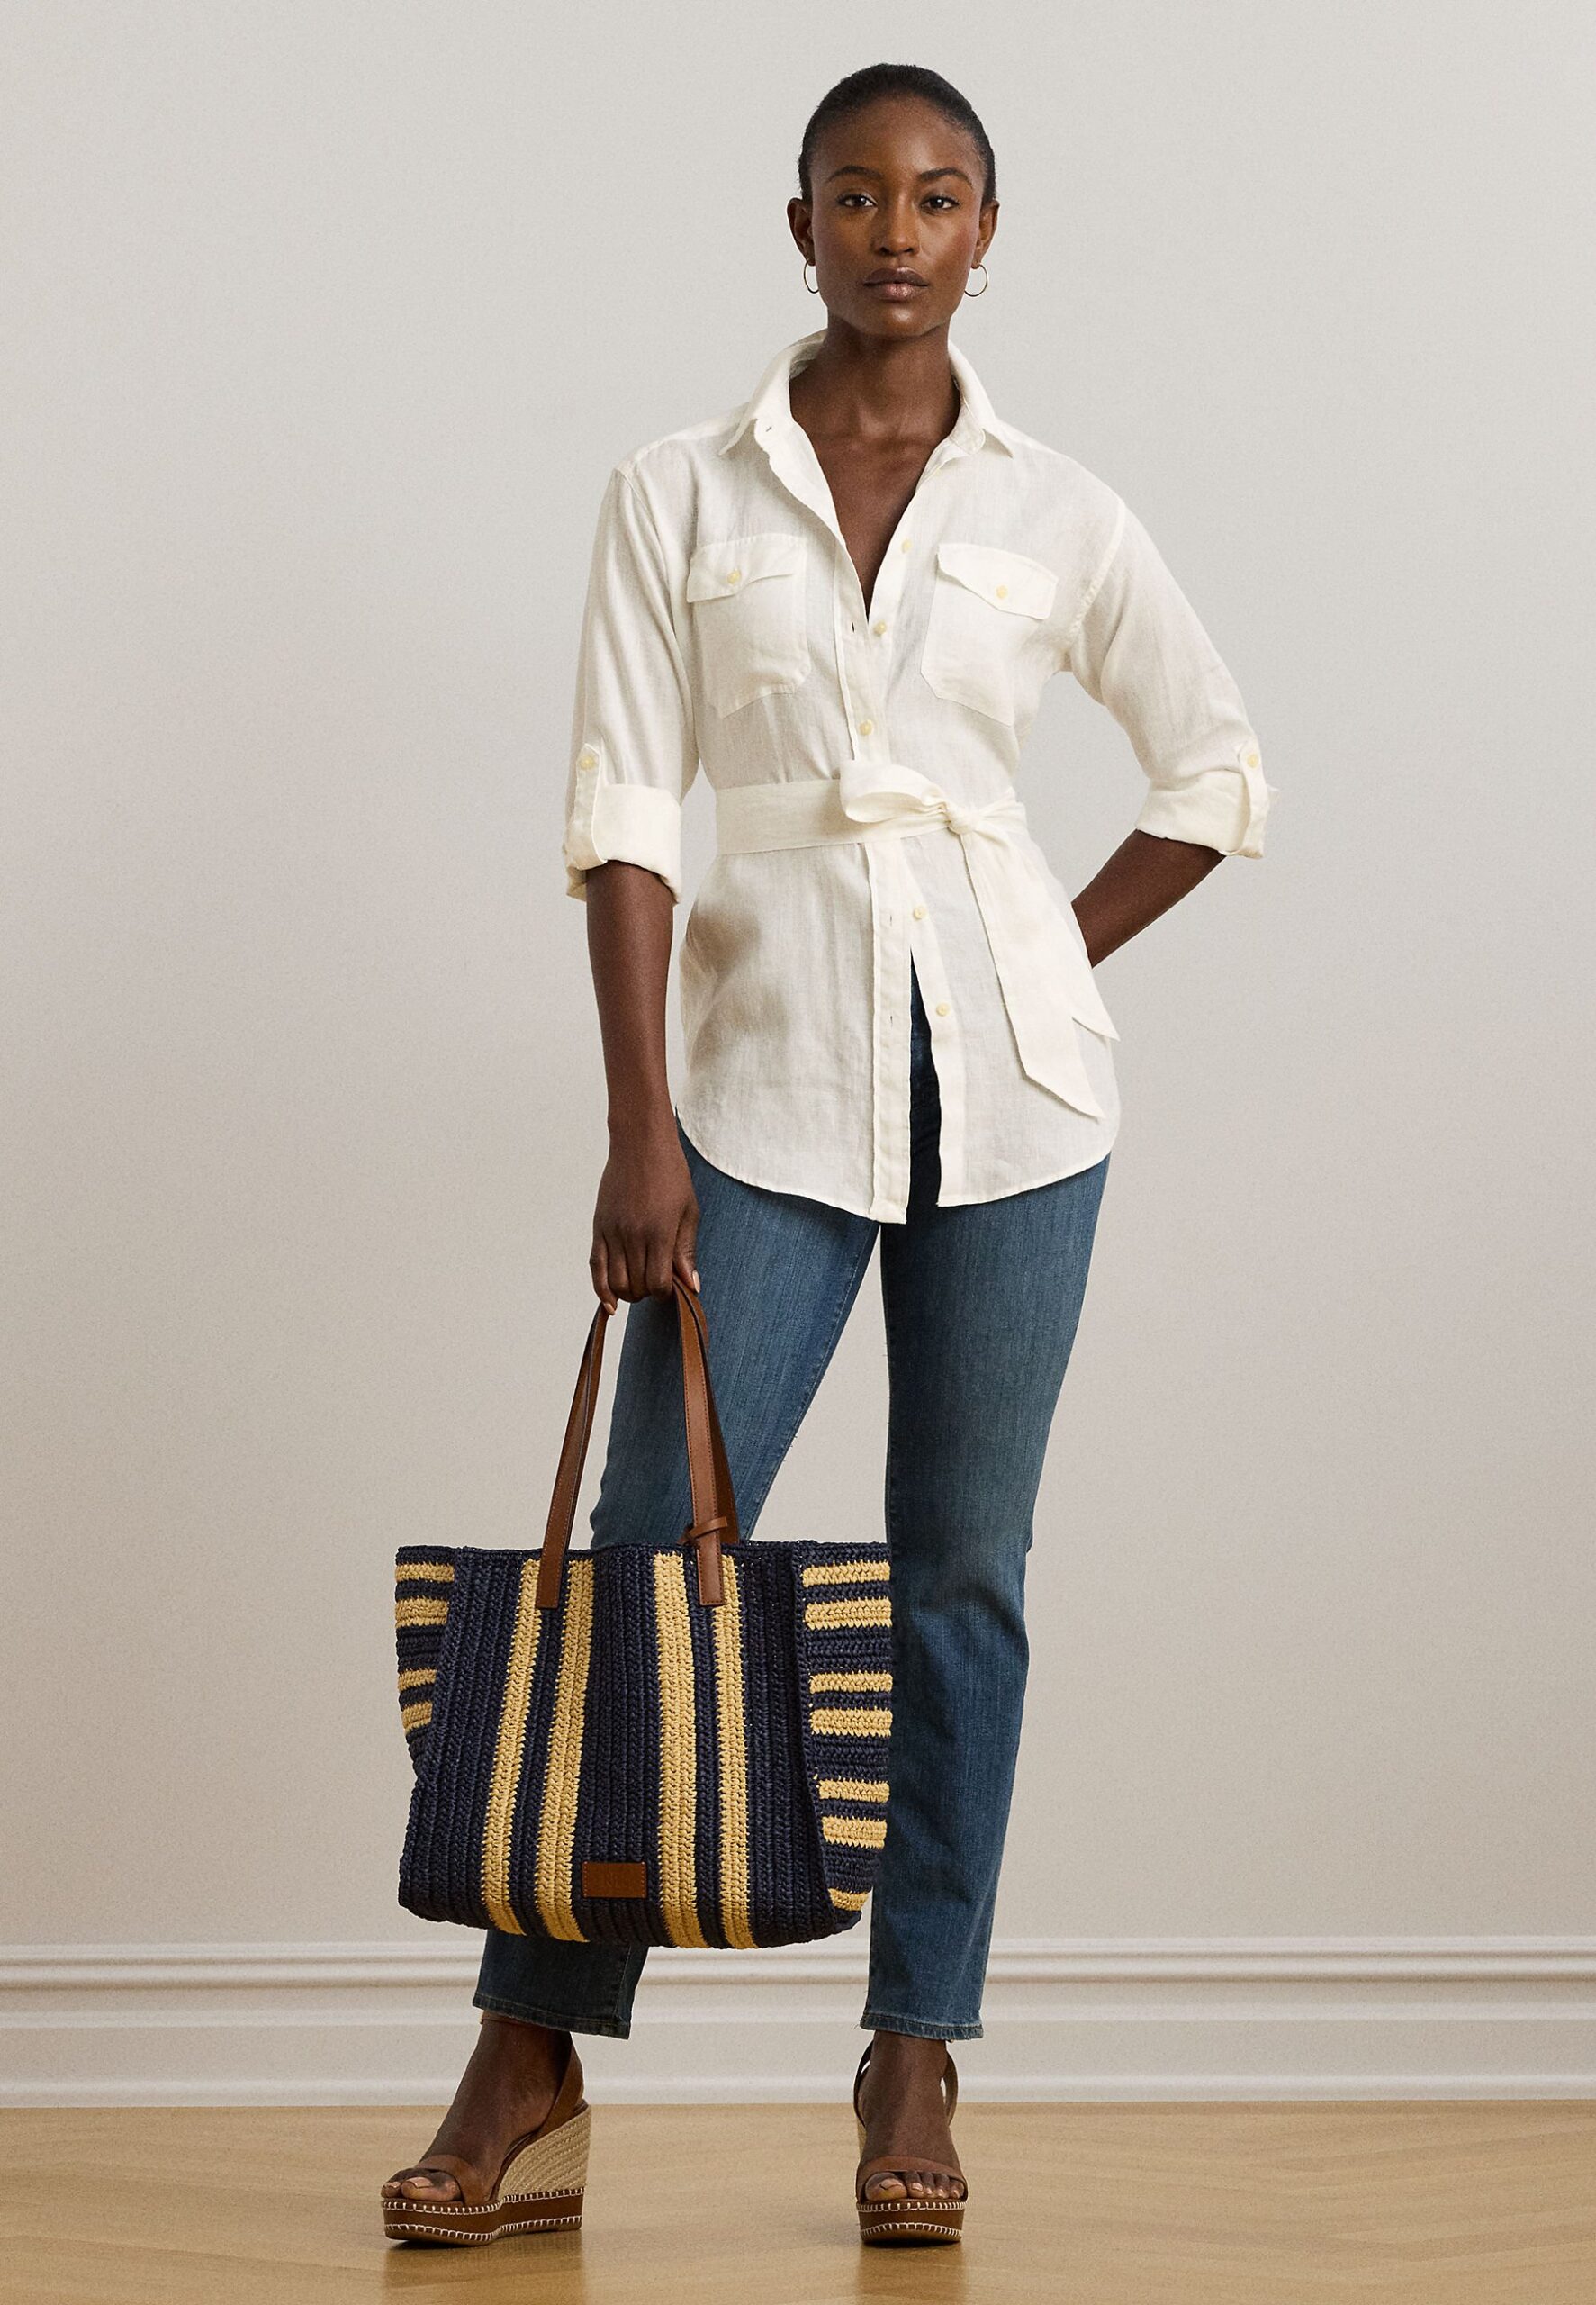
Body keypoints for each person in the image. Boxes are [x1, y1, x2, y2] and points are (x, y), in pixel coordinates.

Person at [383, 59, 1272, 2249]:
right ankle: (530, 2046)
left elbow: (1215, 769)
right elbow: (622, 811)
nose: (896, 230)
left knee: (964, 1573)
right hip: (756, 1098)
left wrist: (1034, 951)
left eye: (937, 195)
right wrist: (638, 1127)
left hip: (1020, 1111)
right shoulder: (673, 493)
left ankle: (912, 2043)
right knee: (643, 1552)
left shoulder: (1060, 512)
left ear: (988, 231)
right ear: (796, 225)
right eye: (856, 195)